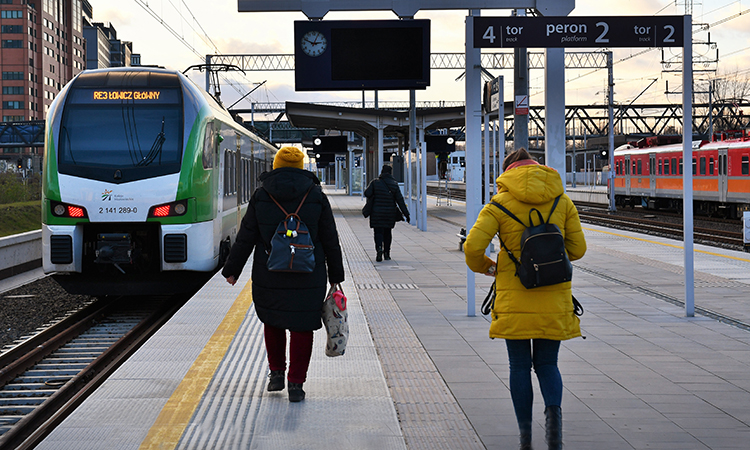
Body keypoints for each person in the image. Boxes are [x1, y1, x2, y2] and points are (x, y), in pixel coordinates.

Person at [464, 148, 587, 450]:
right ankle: (555, 431)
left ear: (508, 173)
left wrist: (491, 267)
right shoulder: (562, 201)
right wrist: (547, 259)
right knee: (548, 364)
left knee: (519, 366)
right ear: (538, 168)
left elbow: (472, 249)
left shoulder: (498, 204)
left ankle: (525, 439)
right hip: (554, 297)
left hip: (514, 298)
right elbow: (578, 249)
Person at [222, 146, 345, 403]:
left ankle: (276, 372)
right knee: (302, 327)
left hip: (270, 271)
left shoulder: (261, 195)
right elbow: (330, 239)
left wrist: (233, 269)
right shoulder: (316, 195)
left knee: (273, 320)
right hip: (309, 273)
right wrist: (336, 276)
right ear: (302, 167)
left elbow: (246, 236)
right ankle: (296, 384)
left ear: (276, 166)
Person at [364, 164, 410, 262]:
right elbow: (400, 200)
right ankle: (387, 253)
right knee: (388, 233)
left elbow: (366, 193)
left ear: (382, 172)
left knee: (378, 232)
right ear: (390, 173)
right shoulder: (394, 184)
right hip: (389, 213)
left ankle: (379, 249)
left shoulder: (375, 182)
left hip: (376, 213)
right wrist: (406, 214)